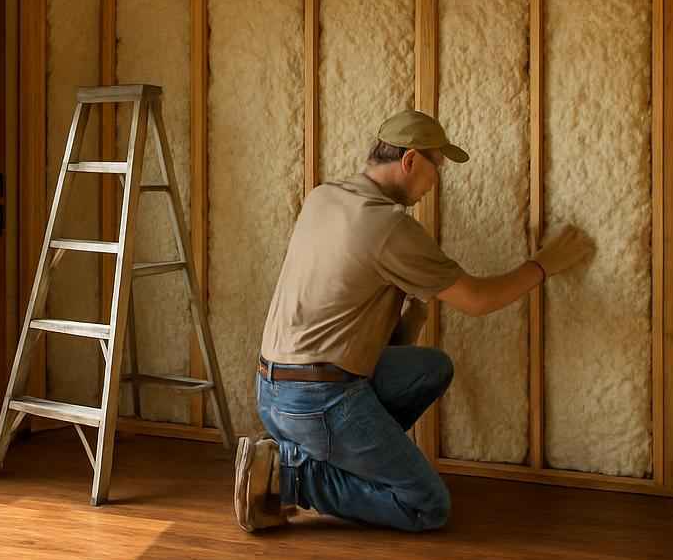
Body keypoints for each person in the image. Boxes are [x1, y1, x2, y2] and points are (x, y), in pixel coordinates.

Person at [233, 108, 593, 533]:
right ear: (410, 160)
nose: (435, 181)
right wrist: (544, 265)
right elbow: (478, 300)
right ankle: (289, 477)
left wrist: (417, 306)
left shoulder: (324, 196)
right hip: (317, 402)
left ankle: (303, 455)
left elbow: (366, 329)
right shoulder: (388, 227)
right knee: (426, 505)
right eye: (435, 166)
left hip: (273, 392)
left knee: (431, 368)